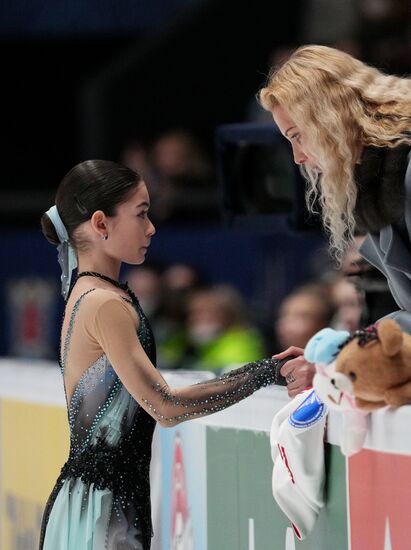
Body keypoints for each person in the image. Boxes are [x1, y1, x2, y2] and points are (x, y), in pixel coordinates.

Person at [38, 160, 288, 550]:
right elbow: (166, 407)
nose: (151, 227)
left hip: (101, 506)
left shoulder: (93, 294)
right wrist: (265, 373)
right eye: (141, 214)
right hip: (102, 517)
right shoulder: (102, 303)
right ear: (101, 224)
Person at [257, 44, 411, 396]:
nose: (297, 157)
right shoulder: (385, 183)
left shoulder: (403, 174)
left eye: (297, 135)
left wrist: (344, 359)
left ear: (327, 116)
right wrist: (344, 354)